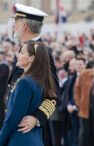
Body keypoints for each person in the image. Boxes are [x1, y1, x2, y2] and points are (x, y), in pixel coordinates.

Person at [8, 3, 59, 146]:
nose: (13, 26)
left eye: (16, 22)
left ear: (24, 26)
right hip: (17, 128)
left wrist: (37, 118)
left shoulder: (40, 52)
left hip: (32, 132)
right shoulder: (25, 50)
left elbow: (53, 92)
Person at [0, 41, 56, 146]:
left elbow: (13, 118)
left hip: (20, 139)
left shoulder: (25, 82)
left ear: (31, 58)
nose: (18, 55)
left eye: (22, 53)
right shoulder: (39, 81)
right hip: (34, 138)